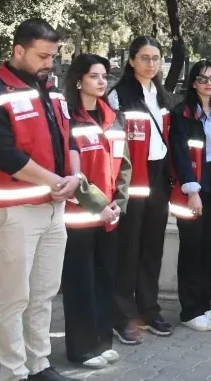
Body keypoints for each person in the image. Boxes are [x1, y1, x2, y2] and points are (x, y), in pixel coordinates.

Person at [0, 18, 77, 381]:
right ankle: (14, 373)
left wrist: (72, 177)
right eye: (43, 56)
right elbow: (5, 154)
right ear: (18, 50)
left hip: (52, 207)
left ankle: (39, 365)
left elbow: (69, 142)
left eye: (53, 57)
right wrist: (57, 181)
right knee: (14, 298)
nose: (50, 63)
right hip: (12, 211)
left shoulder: (52, 92)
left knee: (43, 293)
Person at [61, 54, 131, 370]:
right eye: (94, 76)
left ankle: (102, 341)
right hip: (79, 218)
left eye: (105, 76)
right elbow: (70, 172)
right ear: (78, 81)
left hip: (110, 218)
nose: (102, 81)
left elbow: (125, 167)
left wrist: (119, 203)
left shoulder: (113, 118)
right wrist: (101, 205)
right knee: (80, 284)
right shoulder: (67, 121)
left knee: (105, 281)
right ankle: (81, 349)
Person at [108, 37, 173, 343]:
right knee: (129, 246)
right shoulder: (118, 95)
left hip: (159, 174)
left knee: (152, 246)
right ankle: (122, 315)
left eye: (156, 58)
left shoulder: (161, 94)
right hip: (132, 176)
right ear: (131, 60)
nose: (151, 64)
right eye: (144, 58)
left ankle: (149, 308)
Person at [167, 61, 211, 332]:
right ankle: (190, 309)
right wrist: (192, 190)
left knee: (208, 246)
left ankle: (204, 303)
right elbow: (179, 154)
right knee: (191, 246)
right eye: (202, 78)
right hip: (192, 183)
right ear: (193, 82)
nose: (208, 83)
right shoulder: (182, 113)